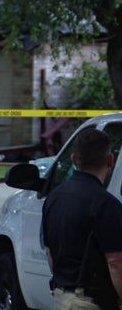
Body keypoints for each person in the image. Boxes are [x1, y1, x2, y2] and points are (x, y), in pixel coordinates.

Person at [42, 128, 122, 309]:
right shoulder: (107, 205)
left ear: (74, 160)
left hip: (62, 298)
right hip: (92, 302)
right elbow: (116, 262)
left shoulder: (54, 198)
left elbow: (50, 253)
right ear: (110, 161)